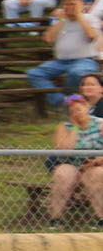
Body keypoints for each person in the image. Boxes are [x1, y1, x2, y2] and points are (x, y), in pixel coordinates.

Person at [27, 0, 101, 107]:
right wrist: (61, 20)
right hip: (61, 62)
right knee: (35, 73)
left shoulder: (89, 18)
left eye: (72, 4)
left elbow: (92, 36)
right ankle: (62, 102)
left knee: (76, 73)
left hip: (85, 60)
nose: (68, 7)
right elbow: (48, 39)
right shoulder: (60, 21)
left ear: (81, 5)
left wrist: (79, 16)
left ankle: (69, 102)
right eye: (66, 4)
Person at [48, 94, 103, 226]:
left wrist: (95, 161)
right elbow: (63, 150)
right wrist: (75, 127)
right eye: (72, 111)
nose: (76, 113)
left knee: (97, 175)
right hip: (71, 163)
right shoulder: (64, 126)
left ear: (87, 107)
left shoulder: (101, 124)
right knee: (62, 174)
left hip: (96, 164)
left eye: (78, 109)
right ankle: (56, 218)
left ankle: (101, 217)